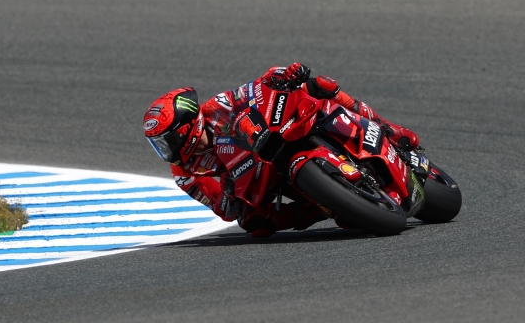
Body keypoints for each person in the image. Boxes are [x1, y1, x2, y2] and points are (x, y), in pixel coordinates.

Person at [143, 63, 419, 237]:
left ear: (187, 127)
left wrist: (281, 75)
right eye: (159, 144)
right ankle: (325, 207)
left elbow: (255, 89)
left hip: (273, 135)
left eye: (167, 140)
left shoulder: (218, 106)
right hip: (256, 176)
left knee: (318, 85)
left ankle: (387, 128)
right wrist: (230, 193)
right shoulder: (184, 174)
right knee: (253, 223)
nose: (166, 150)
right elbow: (223, 208)